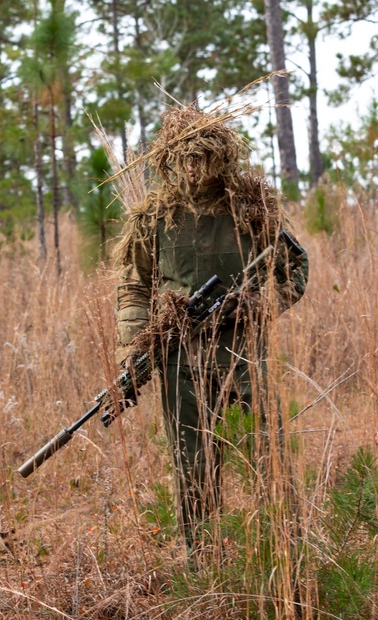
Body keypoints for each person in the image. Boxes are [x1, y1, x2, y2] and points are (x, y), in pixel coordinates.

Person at [114, 105, 309, 558]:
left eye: (203, 157)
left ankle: (285, 564)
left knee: (270, 461)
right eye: (185, 158)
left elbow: (293, 267)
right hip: (180, 361)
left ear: (222, 156)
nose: (194, 168)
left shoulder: (250, 207)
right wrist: (135, 348)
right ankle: (205, 568)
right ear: (169, 159)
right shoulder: (152, 218)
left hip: (244, 358)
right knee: (193, 468)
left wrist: (260, 303)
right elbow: (133, 287)